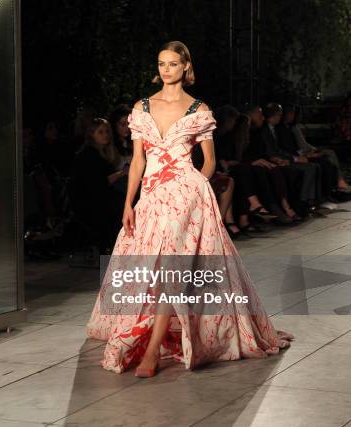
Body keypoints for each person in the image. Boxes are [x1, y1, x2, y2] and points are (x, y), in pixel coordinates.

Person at [86, 41, 292, 377]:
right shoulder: (142, 108)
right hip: (151, 196)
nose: (166, 69)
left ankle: (152, 351)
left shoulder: (199, 110)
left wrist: (194, 190)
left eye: (172, 64)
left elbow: (208, 162)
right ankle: (155, 335)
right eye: (161, 63)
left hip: (185, 194)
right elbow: (138, 161)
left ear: (185, 68)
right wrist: (128, 202)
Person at [70, 118, 126, 254]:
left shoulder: (102, 153)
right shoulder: (88, 154)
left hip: (99, 199)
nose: (105, 135)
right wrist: (122, 173)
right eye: (100, 132)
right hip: (88, 203)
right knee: (121, 205)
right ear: (91, 134)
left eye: (107, 131)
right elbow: (98, 184)